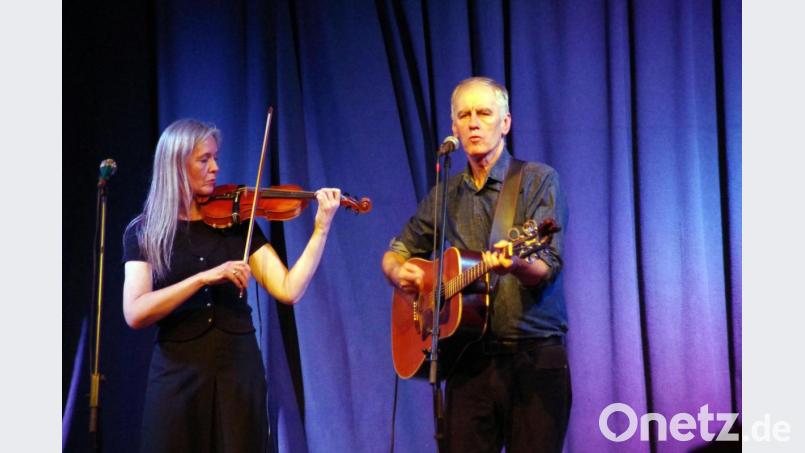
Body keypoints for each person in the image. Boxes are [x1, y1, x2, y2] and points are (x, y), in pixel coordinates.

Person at [122, 118, 340, 452]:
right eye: (204, 159)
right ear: (177, 164)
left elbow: (289, 289)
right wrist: (202, 278)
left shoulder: (237, 224)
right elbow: (135, 311)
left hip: (238, 370)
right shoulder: (145, 232)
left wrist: (321, 229)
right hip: (177, 373)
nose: (216, 168)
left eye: (215, 157)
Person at [381, 77, 571, 452]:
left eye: (484, 113)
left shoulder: (538, 180)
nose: (473, 122)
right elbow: (397, 249)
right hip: (469, 360)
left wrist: (515, 264)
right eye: (464, 115)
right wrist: (398, 271)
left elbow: (546, 265)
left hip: (532, 359)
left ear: (505, 123)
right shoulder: (445, 194)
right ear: (453, 128)